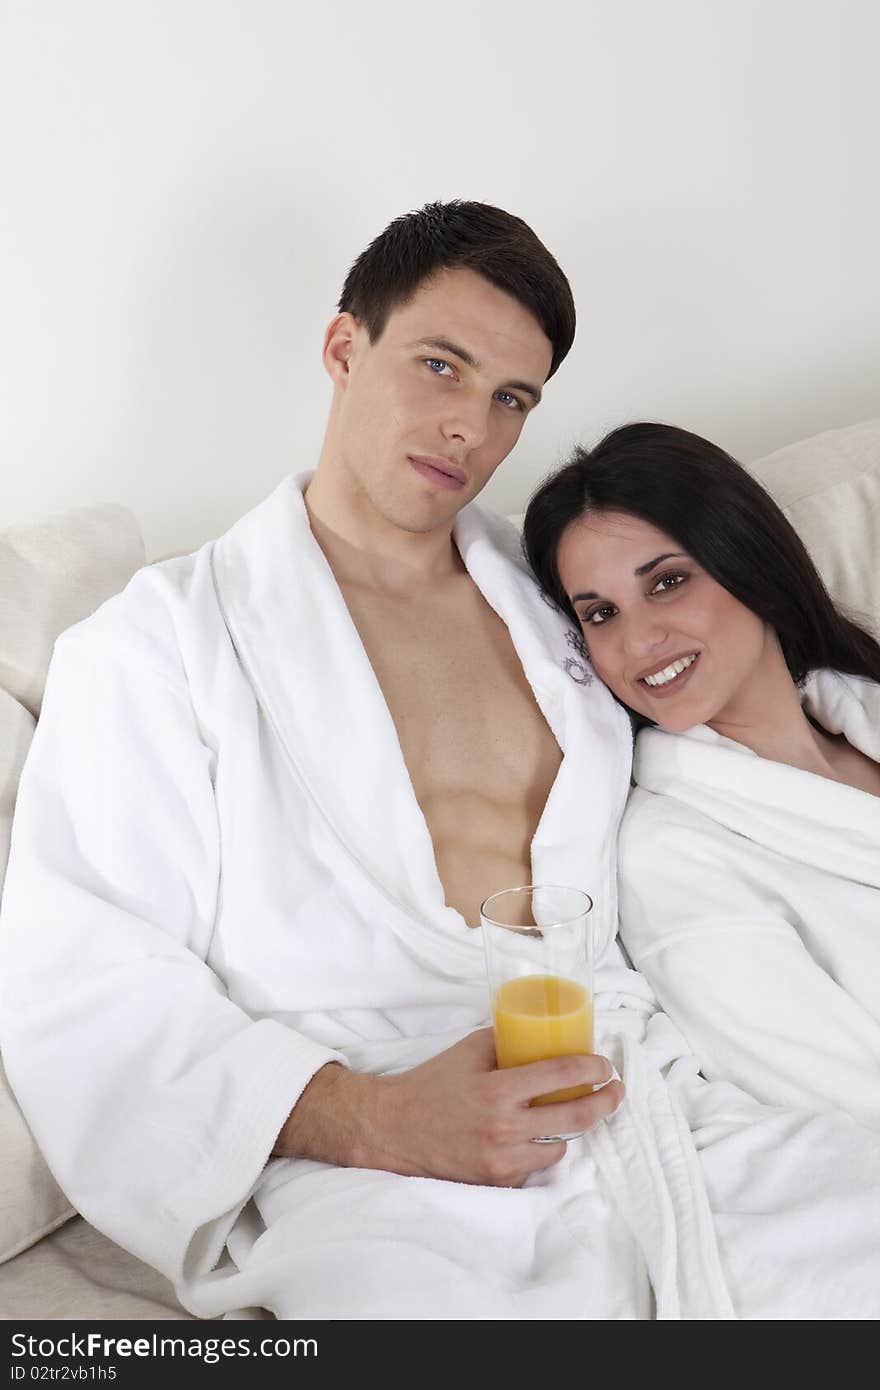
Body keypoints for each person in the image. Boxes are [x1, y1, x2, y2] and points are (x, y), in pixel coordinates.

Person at [2, 209, 880, 1322]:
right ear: (341, 349)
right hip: (388, 1160)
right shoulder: (156, 647)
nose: (469, 425)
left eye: (510, 398)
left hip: (655, 1092)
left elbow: (739, 728)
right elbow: (88, 976)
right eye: (440, 366)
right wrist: (368, 1118)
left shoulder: (563, 597)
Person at [523, 421, 880, 1130]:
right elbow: (846, 1100)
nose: (637, 642)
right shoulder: (672, 854)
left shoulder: (864, 704)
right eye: (600, 614)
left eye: (668, 582)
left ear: (750, 559)